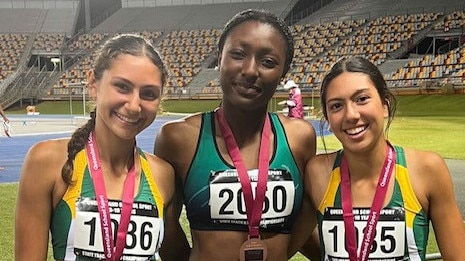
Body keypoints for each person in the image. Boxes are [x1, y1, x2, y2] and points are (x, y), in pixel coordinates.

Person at [154, 9, 319, 261]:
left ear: (284, 72)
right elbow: (166, 229)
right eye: (238, 54)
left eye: (268, 62)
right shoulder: (177, 139)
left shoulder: (300, 137)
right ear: (219, 58)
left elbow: (306, 220)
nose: (251, 70)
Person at [15, 34, 179, 260]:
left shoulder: (163, 175)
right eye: (122, 87)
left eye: (148, 94)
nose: (133, 106)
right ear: (93, 83)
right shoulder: (48, 162)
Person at [303, 56, 465, 260]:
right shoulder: (317, 172)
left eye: (361, 99)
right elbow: (294, 235)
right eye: (336, 106)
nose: (351, 115)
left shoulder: (426, 169)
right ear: (328, 119)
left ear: (385, 105)